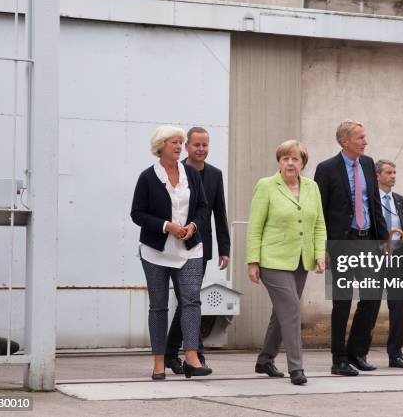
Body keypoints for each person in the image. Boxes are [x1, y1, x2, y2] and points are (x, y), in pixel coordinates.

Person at [131, 125, 212, 380]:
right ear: (161, 146)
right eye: (173, 142)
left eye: (180, 142)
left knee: (191, 301)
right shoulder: (147, 177)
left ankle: (191, 357)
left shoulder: (191, 174)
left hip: (190, 248)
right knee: (158, 306)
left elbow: (202, 206)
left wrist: (193, 225)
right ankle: (158, 362)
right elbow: (137, 213)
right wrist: (167, 226)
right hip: (156, 251)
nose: (178, 146)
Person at [247, 140, 327, 385]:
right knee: (291, 309)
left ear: (303, 163)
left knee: (281, 312)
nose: (290, 163)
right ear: (279, 162)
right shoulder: (266, 186)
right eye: (285, 158)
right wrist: (253, 261)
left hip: (302, 260)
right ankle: (296, 368)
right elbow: (255, 226)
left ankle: (265, 360)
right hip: (273, 260)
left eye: (295, 159)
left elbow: (319, 224)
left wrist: (320, 254)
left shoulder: (312, 187)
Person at [314, 119, 388, 376]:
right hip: (341, 243)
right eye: (360, 137)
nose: (366, 141)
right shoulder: (326, 169)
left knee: (371, 298)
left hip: (367, 241)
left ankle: (357, 352)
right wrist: (321, 248)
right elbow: (318, 212)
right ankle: (339, 359)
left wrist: (383, 240)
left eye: (365, 137)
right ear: (345, 141)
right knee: (342, 301)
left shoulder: (367, 164)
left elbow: (374, 204)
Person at [165, 126, 231, 373]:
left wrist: (225, 249)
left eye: (205, 145)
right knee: (188, 300)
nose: (201, 149)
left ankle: (174, 353)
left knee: (187, 301)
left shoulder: (215, 174)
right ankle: (195, 355)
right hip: (174, 245)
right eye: (196, 145)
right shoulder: (175, 171)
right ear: (187, 146)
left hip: (200, 247)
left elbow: (219, 213)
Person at [376, 159, 403, 369]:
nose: (393, 176)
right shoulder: (369, 199)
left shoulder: (401, 201)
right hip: (377, 258)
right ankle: (359, 353)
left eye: (394, 172)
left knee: (398, 307)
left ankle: (395, 354)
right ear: (378, 176)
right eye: (389, 172)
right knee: (370, 305)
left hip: (398, 259)